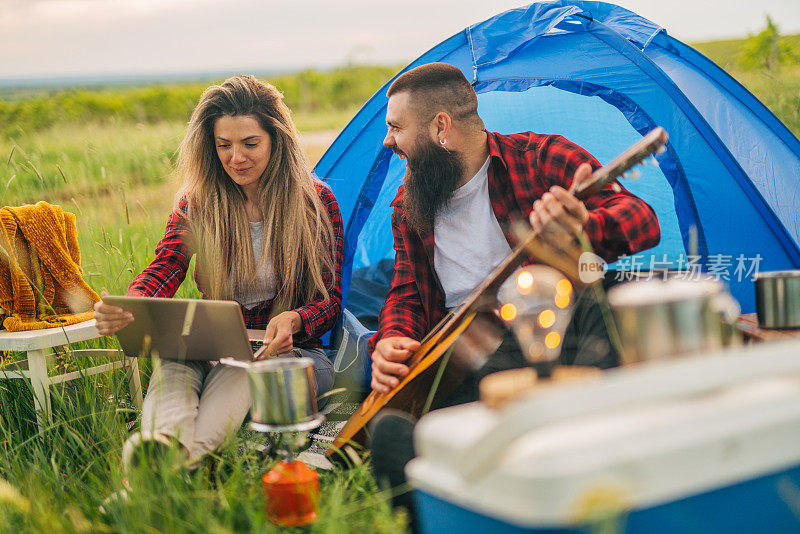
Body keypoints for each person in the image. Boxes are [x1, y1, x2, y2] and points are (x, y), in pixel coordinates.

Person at [366, 62, 660, 515]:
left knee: (617, 293)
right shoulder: (409, 205)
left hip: (554, 331)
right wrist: (391, 340)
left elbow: (641, 220)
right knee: (387, 433)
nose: (389, 141)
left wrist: (585, 226)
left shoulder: (542, 158)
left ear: (440, 127)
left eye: (396, 128)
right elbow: (406, 292)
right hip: (472, 361)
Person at [93, 75, 343, 467]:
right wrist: (133, 304)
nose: (235, 157)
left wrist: (294, 319)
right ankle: (165, 448)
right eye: (223, 145)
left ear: (277, 141)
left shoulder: (316, 203)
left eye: (250, 143)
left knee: (244, 368)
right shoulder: (198, 203)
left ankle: (169, 466)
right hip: (216, 346)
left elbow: (329, 302)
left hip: (294, 355)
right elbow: (165, 266)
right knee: (174, 361)